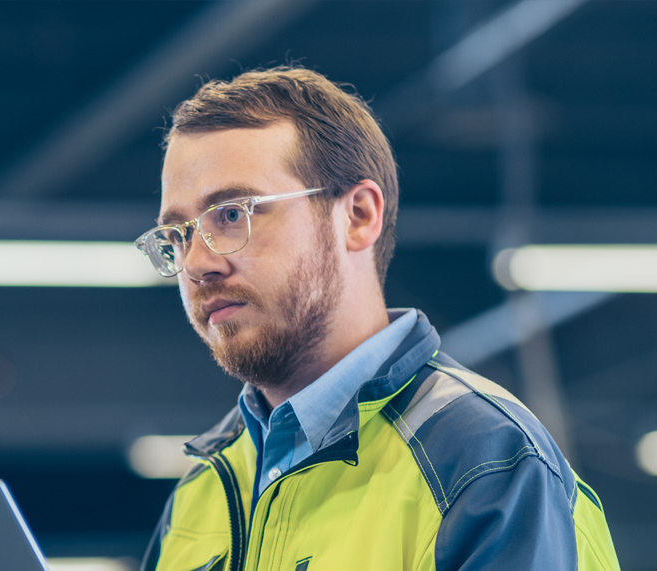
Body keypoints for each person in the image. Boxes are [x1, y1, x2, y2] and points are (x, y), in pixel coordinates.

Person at [135, 66, 620, 571]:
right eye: (178, 235)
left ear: (359, 216)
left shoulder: (486, 465)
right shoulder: (201, 492)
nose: (195, 264)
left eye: (233, 214)